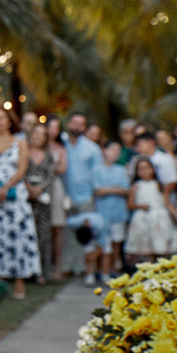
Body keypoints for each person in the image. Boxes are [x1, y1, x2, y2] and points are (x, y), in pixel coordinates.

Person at [0, 106, 41, 300]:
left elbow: (22, 169)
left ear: (9, 120)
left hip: (15, 195)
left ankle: (19, 282)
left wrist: (5, 187)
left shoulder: (20, 143)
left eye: (1, 118)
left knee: (17, 236)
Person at [64, 112, 109, 285]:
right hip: (66, 196)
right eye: (74, 122)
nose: (77, 126)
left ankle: (84, 268)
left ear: (84, 127)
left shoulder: (92, 148)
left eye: (80, 123)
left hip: (85, 196)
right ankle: (68, 266)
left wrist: (95, 192)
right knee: (68, 232)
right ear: (69, 124)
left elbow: (97, 173)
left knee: (85, 234)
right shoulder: (62, 144)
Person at [124, 156, 177, 262]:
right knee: (147, 250)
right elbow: (130, 205)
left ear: (153, 169)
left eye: (147, 168)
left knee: (161, 248)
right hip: (144, 220)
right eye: (141, 169)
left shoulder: (160, 185)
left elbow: (166, 202)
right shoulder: (136, 186)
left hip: (159, 219)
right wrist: (140, 206)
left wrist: (175, 214)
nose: (144, 171)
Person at [23, 124, 57, 282]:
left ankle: (41, 272)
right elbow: (20, 171)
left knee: (42, 235)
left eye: (42, 135)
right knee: (26, 233)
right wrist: (28, 188)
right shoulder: (23, 152)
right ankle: (26, 271)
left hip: (43, 200)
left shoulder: (48, 156)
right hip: (25, 198)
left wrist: (40, 189)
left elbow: (50, 176)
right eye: (36, 133)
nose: (38, 137)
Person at [92, 140, 131, 277]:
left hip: (118, 212)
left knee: (117, 242)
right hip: (102, 213)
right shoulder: (97, 170)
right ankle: (103, 271)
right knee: (103, 244)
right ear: (105, 151)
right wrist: (115, 189)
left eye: (118, 151)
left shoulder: (121, 170)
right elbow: (98, 191)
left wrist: (107, 189)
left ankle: (113, 270)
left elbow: (126, 190)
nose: (116, 154)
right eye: (113, 150)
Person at [46, 115, 70, 277]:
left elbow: (62, 169)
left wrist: (45, 166)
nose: (53, 130)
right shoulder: (36, 145)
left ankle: (58, 266)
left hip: (55, 186)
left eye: (56, 127)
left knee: (57, 227)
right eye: (50, 126)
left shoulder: (61, 148)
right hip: (40, 186)